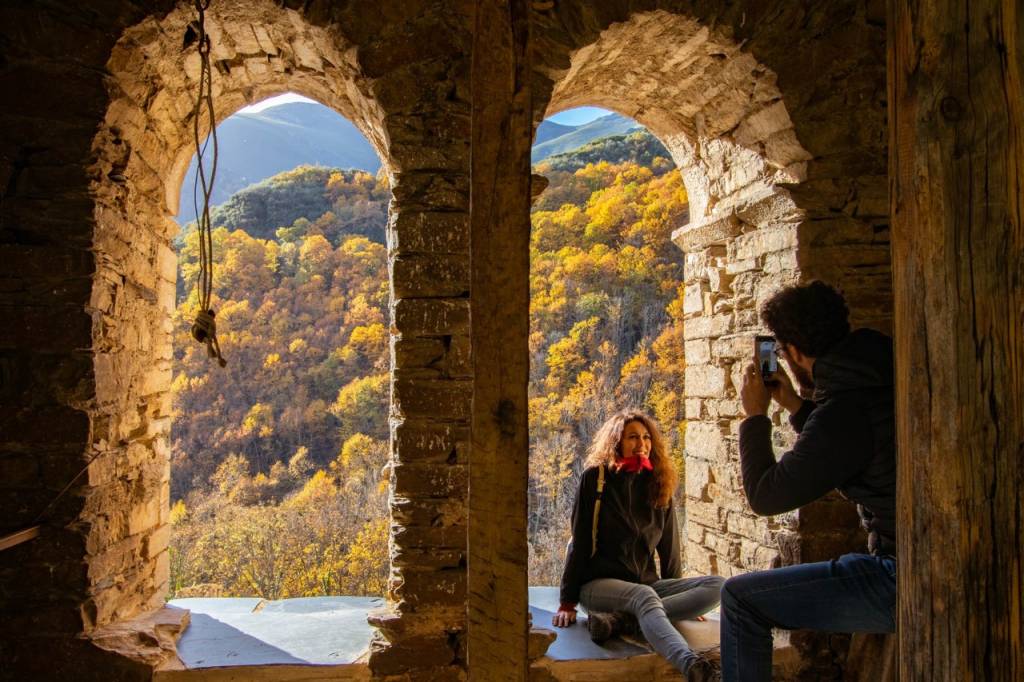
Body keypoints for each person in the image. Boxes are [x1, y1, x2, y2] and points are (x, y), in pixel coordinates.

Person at [720, 281, 897, 682]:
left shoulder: (844, 411)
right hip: (910, 554)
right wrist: (797, 406)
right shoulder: (878, 375)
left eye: (781, 351)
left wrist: (755, 416)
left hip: (899, 574)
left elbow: (765, 495)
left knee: (741, 600)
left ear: (795, 352)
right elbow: (849, 445)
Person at [553, 409, 724, 680]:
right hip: (599, 583)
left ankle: (621, 622)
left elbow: (669, 547)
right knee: (644, 598)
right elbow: (581, 542)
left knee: (719, 586)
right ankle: (693, 667)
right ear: (616, 441)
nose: (641, 444)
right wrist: (567, 602)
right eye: (632, 437)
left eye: (646, 437)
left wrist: (686, 603)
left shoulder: (658, 483)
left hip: (646, 583)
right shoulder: (595, 480)